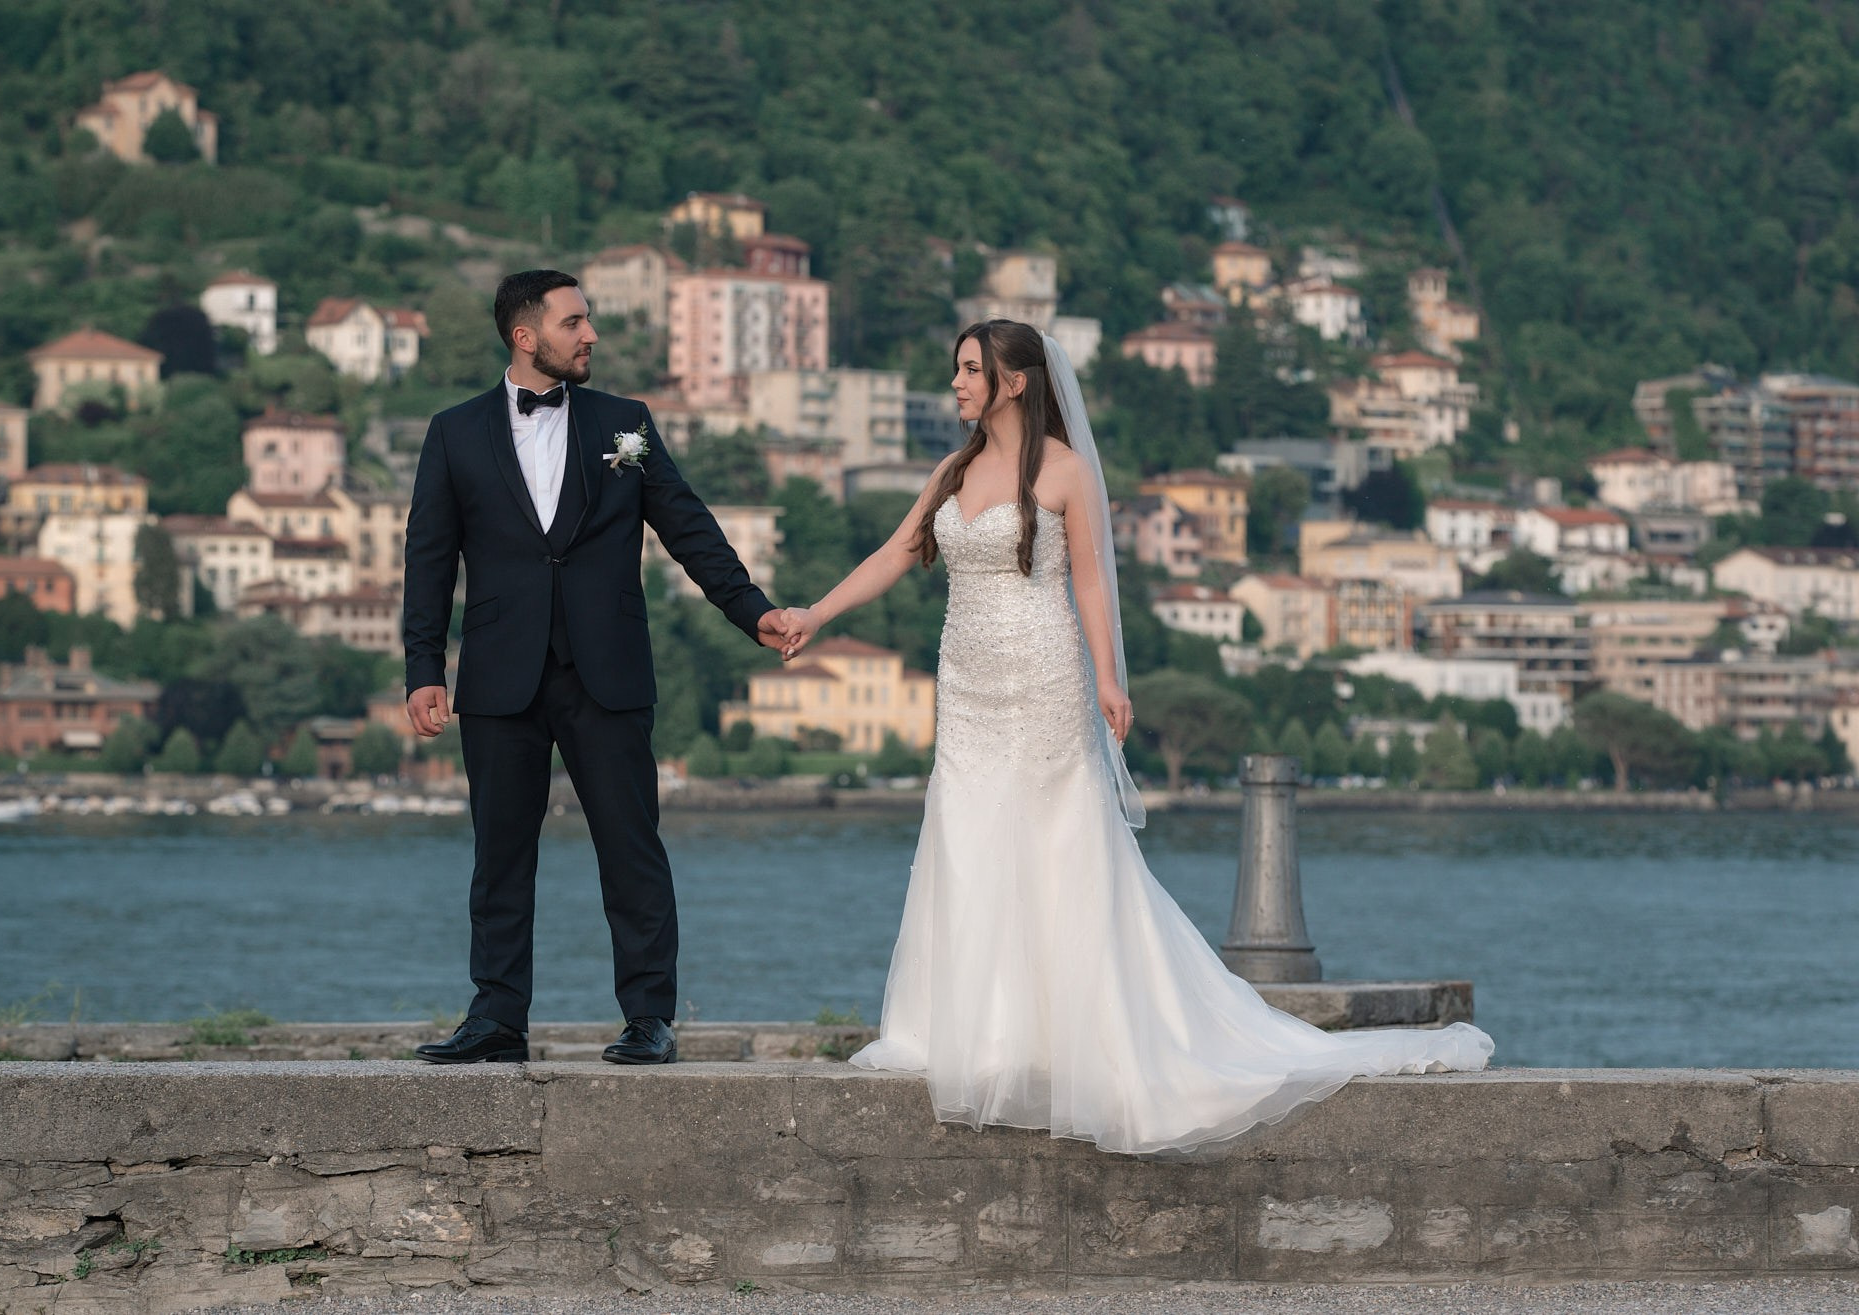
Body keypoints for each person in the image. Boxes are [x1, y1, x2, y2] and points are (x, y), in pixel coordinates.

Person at [777, 319, 1492, 1155]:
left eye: (971, 369)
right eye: (957, 369)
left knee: (1055, 845)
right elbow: (898, 551)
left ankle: (1077, 1037)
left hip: (1044, 678)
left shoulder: (1066, 471)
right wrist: (814, 614)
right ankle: (974, 1033)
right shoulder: (952, 471)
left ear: (1015, 381)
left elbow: (1089, 580)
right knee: (966, 838)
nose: (957, 383)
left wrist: (1110, 678)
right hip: (966, 686)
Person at [402, 269, 794, 1067]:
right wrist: (423, 665)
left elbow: (687, 525)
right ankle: (497, 1015)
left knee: (631, 846)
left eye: (588, 320)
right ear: (525, 335)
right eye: (574, 322)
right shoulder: (453, 432)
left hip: (606, 668)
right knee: (499, 855)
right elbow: (429, 557)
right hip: (500, 673)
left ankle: (649, 1016)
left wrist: (751, 610)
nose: (590, 335)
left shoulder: (626, 424)